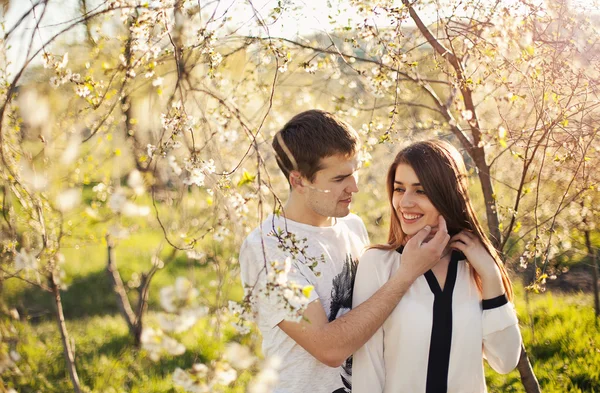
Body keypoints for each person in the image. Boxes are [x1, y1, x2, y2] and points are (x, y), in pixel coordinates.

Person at [239, 110, 450, 393]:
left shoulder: (352, 225)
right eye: (339, 179)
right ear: (299, 181)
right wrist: (407, 274)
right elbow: (329, 349)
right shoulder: (267, 249)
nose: (355, 187)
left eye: (355, 172)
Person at [352, 140, 522, 393]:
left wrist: (490, 274)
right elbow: (368, 368)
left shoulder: (474, 265)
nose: (405, 202)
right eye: (399, 189)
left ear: (447, 194)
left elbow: (505, 361)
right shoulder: (378, 264)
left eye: (421, 191)